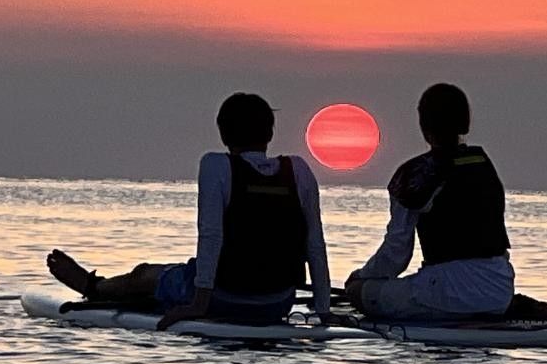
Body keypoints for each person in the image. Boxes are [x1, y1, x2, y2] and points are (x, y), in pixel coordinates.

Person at [46, 92, 332, 328]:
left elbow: (211, 236)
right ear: (270, 133)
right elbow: (315, 245)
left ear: (223, 134)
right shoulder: (300, 170)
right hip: (277, 301)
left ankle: (92, 287)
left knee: (146, 274)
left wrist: (199, 304)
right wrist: (323, 310)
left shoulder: (216, 165)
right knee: (175, 274)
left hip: (222, 298)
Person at [345, 83, 514, 321]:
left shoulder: (413, 175)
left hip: (446, 292)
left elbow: (396, 255)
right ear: (464, 122)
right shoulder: (483, 164)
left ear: (424, 125)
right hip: (499, 291)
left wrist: (360, 279)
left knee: (358, 291)